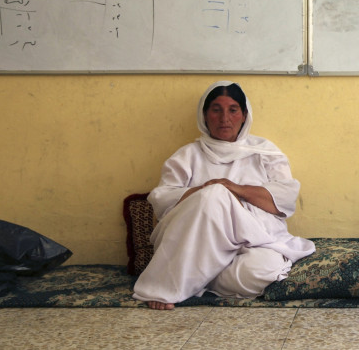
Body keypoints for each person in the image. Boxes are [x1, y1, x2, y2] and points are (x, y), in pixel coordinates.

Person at [133, 81, 315, 310]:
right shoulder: (187, 156)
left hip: (253, 238)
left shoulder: (264, 152)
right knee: (214, 195)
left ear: (244, 115)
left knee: (265, 269)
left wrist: (234, 188)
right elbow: (161, 200)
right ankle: (166, 288)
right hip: (194, 242)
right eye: (216, 110)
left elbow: (284, 200)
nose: (224, 118)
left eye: (232, 110)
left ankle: (196, 277)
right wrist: (206, 191)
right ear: (205, 115)